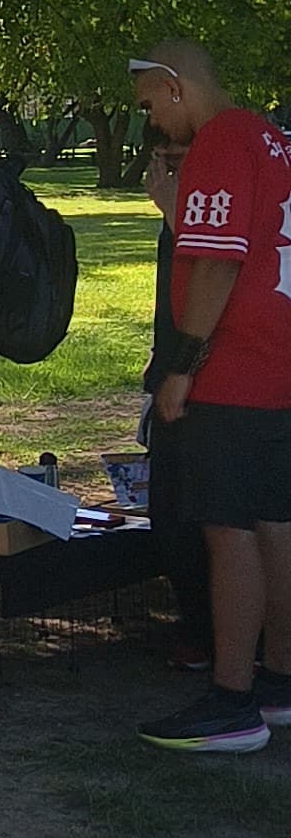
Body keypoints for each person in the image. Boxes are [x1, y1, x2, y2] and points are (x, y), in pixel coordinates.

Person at [128, 39, 291, 754]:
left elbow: (216, 265)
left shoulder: (220, 142)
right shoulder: (272, 137)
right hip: (278, 364)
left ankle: (231, 698)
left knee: (227, 530)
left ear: (174, 84)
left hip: (232, 368)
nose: (155, 122)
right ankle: (279, 680)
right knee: (275, 521)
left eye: (150, 105)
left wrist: (183, 365)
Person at [138, 137, 213, 665]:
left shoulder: (210, 212)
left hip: (209, 382)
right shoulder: (181, 209)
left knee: (208, 517)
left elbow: (214, 284)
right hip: (173, 373)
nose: (167, 164)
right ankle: (200, 628)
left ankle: (218, 638)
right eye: (161, 154)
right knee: (170, 511)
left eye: (178, 153)